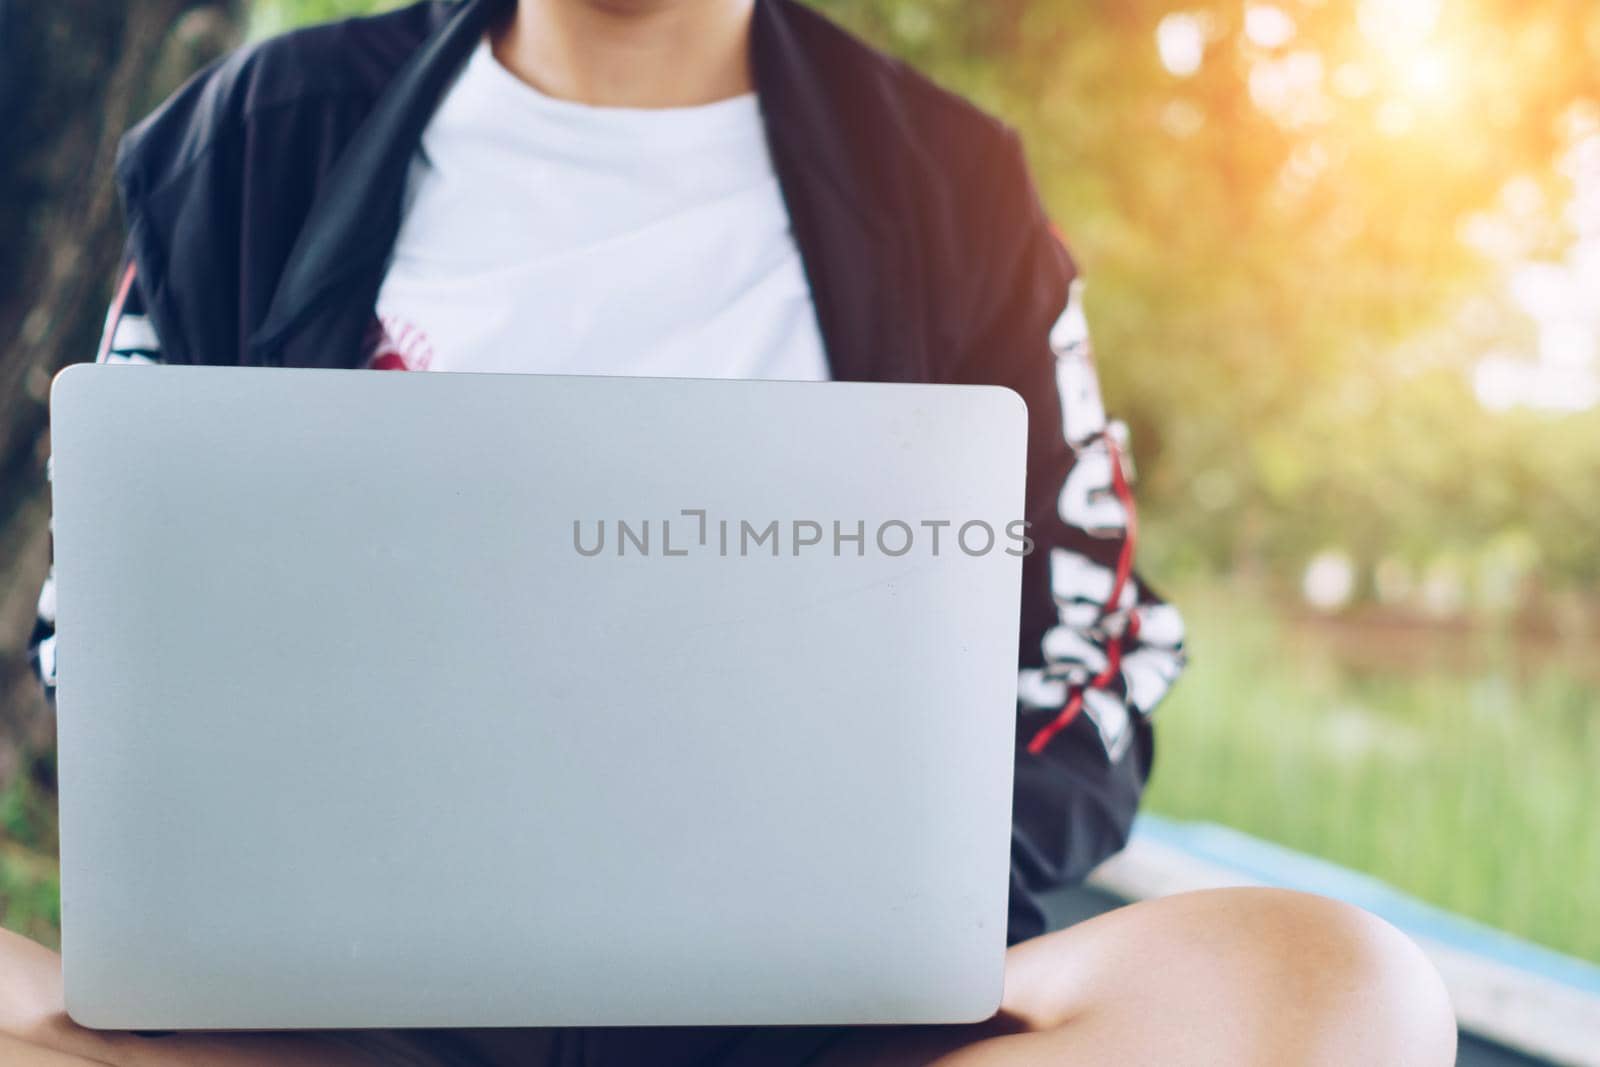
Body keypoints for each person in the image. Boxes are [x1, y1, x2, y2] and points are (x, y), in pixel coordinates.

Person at [3, 0, 1456, 1063]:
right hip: (339, 1021)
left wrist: (884, 898)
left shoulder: (952, 187)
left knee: (1339, 992)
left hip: (810, 1028)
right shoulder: (249, 142)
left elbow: (1092, 647)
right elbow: (117, 614)